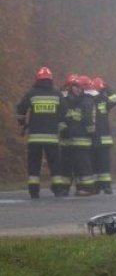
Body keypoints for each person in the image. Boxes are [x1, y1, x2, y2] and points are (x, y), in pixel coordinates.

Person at [15, 67, 69, 198]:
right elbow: (65, 112)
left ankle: (34, 191)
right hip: (52, 138)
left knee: (34, 164)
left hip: (35, 138)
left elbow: (21, 109)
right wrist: (60, 126)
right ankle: (57, 189)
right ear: (51, 79)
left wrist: (22, 123)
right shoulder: (57, 94)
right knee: (55, 164)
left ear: (37, 79)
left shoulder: (32, 94)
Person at [62, 75, 97, 196]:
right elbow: (63, 117)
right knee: (71, 165)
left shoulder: (85, 101)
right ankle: (71, 188)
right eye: (75, 86)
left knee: (83, 165)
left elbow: (88, 120)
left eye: (79, 87)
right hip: (70, 139)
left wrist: (91, 133)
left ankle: (87, 188)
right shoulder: (69, 100)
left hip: (82, 138)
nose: (77, 89)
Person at [91, 77, 116, 194]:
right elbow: (115, 98)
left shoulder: (90, 100)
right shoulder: (104, 100)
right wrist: (107, 87)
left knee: (96, 163)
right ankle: (105, 186)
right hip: (102, 137)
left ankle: (98, 186)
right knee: (103, 164)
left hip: (95, 137)